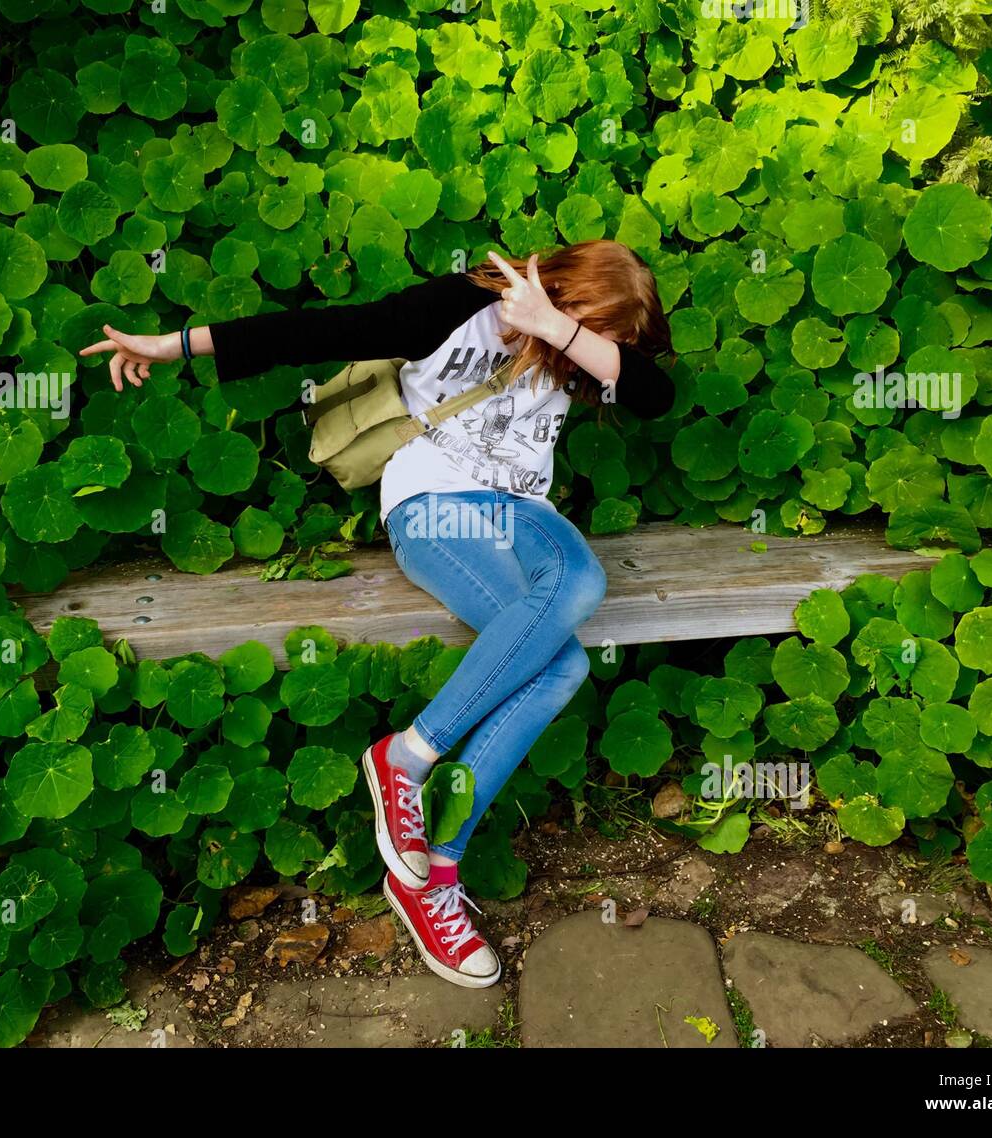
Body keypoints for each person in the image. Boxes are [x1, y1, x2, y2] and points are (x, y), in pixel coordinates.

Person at [81, 239, 676, 989]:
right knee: (564, 653)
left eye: (608, 346)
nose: (596, 356)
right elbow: (327, 330)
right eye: (596, 331)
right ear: (571, 292)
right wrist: (176, 344)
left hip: (521, 513)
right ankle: (411, 774)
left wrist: (561, 332)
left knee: (567, 613)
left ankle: (429, 865)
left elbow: (655, 396)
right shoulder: (462, 308)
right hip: (434, 505)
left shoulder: (569, 346)